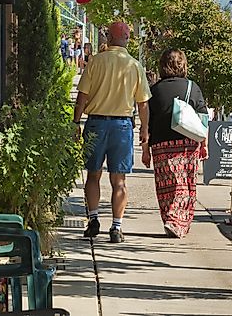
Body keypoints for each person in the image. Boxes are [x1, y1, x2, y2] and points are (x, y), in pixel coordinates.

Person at [73, 22, 151, 243]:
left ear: (108, 37)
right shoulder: (135, 66)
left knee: (93, 174)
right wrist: (145, 129)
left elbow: (82, 96)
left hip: (96, 124)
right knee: (119, 180)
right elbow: (143, 103)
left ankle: (93, 219)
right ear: (127, 38)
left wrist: (75, 123)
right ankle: (116, 227)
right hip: (122, 126)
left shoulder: (96, 62)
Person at [142, 49, 208, 238]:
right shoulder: (192, 87)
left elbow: (147, 123)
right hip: (188, 142)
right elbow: (203, 118)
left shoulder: (154, 90)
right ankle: (181, 222)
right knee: (186, 183)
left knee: (166, 185)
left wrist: (145, 149)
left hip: (161, 144)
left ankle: (171, 219)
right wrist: (204, 144)